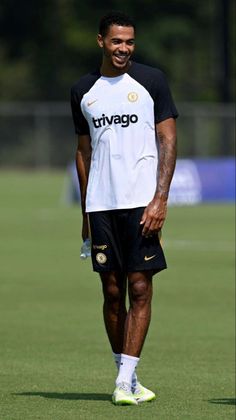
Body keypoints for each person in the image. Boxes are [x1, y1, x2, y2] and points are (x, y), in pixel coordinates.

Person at [71, 11, 178, 405]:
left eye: (130, 42)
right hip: (101, 205)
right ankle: (128, 377)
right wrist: (85, 213)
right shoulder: (83, 90)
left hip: (141, 204)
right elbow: (83, 152)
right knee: (112, 291)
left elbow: (168, 140)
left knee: (139, 285)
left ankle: (123, 379)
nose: (124, 49)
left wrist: (160, 199)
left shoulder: (152, 81)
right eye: (117, 41)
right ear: (101, 41)